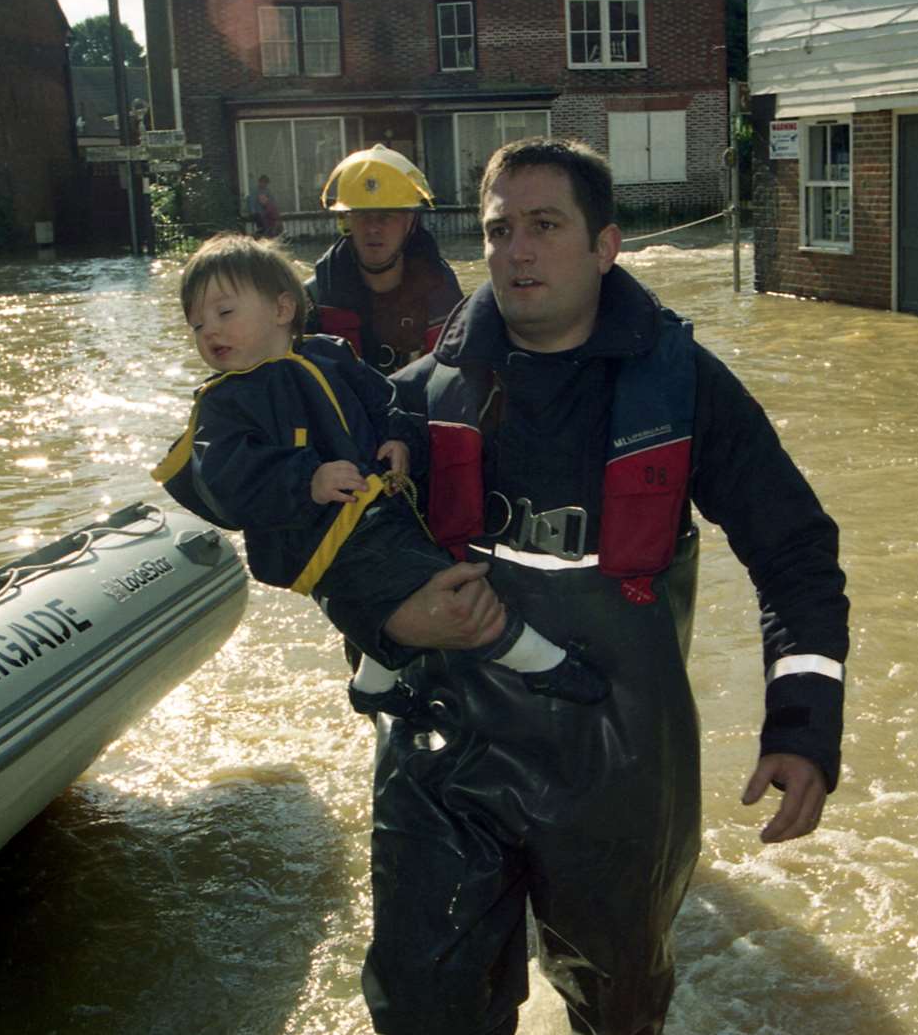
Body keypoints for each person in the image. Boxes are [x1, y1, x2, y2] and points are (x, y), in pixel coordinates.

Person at [322, 137, 850, 1035]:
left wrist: (804, 720)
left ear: (607, 246)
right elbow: (321, 544)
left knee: (617, 996)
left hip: (615, 750)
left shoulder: (684, 384)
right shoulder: (414, 392)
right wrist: (386, 595)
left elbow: (798, 553)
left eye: (545, 225)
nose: (515, 249)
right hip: (446, 735)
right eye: (499, 226)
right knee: (421, 1008)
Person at [151, 233, 608, 719]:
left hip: (378, 510)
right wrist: (307, 479)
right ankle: (547, 666)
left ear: (283, 308)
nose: (209, 332)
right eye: (197, 324)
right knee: (452, 590)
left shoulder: (329, 353)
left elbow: (386, 401)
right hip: (321, 540)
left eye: (224, 313)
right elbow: (226, 482)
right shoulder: (223, 402)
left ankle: (373, 688)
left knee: (397, 591)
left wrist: (399, 439)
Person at [305, 143, 462, 374]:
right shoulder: (315, 298)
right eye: (361, 216)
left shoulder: (443, 293)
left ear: (409, 222)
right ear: (346, 221)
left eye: (385, 217)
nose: (373, 228)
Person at [248, 174, 282, 238]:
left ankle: (268, 236)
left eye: (266, 183)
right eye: (263, 182)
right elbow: (252, 203)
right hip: (258, 213)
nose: (264, 184)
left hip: (267, 214)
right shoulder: (255, 191)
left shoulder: (267, 191)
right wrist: (253, 212)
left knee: (270, 226)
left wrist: (274, 209)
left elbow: (272, 202)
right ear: (260, 182)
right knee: (262, 227)